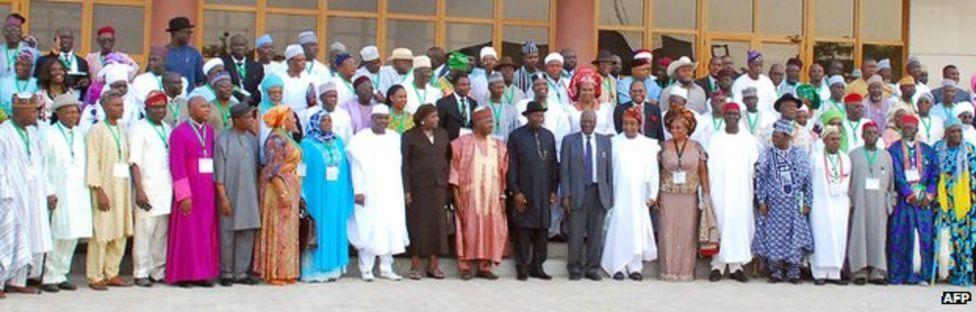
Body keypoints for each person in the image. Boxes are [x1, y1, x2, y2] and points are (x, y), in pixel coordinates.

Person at [346, 105, 408, 281]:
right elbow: (356, 167)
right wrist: (358, 190)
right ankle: (366, 269)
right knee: (368, 227)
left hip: (391, 190)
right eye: (379, 118)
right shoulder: (360, 139)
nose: (382, 121)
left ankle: (386, 268)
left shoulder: (395, 138)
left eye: (385, 118)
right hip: (368, 191)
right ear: (371, 119)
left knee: (390, 227)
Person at [165, 95, 220, 288]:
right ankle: (184, 274)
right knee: (187, 233)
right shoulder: (179, 133)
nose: (207, 110)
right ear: (191, 109)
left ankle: (202, 274)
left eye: (208, 107)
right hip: (190, 191)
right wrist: (183, 195)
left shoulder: (210, 132)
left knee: (205, 232)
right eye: (203, 107)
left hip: (207, 189)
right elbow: (177, 165)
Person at [0, 93, 51, 295]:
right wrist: (5, 194)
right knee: (6, 238)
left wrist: (48, 191)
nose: (36, 115)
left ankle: (17, 281)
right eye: (32, 111)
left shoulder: (32, 132)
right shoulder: (3, 133)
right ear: (19, 112)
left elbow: (41, 164)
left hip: (32, 193)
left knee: (27, 237)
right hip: (11, 195)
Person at [450, 107, 509, 280]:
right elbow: (454, 169)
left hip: (492, 197)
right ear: (476, 123)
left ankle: (485, 266)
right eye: (488, 122)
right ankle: (465, 267)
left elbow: (503, 173)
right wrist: (455, 194)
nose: (491, 125)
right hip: (469, 197)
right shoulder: (461, 143)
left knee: (491, 229)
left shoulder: (499, 146)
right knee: (469, 230)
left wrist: (502, 196)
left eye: (492, 121)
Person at [39, 93, 90, 292]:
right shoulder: (49, 134)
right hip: (58, 191)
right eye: (68, 112)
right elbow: (42, 166)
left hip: (78, 191)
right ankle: (49, 276)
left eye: (76, 112)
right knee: (57, 234)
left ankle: (62, 274)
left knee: (72, 235)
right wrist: (49, 191)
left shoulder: (80, 133)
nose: (73, 116)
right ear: (58, 114)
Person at [602, 106, 660, 281]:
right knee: (619, 229)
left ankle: (635, 267)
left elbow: (653, 172)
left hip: (638, 196)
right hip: (618, 195)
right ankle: (618, 266)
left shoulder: (648, 144)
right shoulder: (614, 142)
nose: (629, 127)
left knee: (637, 230)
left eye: (632, 124)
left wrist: (653, 194)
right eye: (626, 124)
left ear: (639, 125)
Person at [753, 119, 814, 284]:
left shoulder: (799, 154)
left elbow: (807, 180)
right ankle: (776, 271)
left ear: (788, 137)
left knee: (795, 238)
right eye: (773, 136)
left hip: (794, 206)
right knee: (774, 237)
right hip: (774, 206)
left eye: (778, 137)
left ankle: (794, 271)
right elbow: (761, 179)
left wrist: (808, 201)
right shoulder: (767, 154)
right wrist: (761, 200)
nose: (774, 139)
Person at [657, 106, 713, 281]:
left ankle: (686, 272)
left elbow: (703, 171)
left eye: (679, 128)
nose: (674, 131)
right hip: (667, 195)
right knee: (667, 232)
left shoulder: (697, 147)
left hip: (689, 196)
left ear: (688, 127)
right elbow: (656, 172)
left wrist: (706, 194)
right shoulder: (663, 147)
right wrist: (656, 194)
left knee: (687, 233)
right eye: (672, 127)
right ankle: (668, 271)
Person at [84, 91, 133, 290]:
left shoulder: (122, 128)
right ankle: (95, 276)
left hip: (122, 186)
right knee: (102, 232)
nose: (120, 109)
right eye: (116, 106)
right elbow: (92, 162)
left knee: (120, 230)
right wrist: (99, 190)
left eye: (122, 105)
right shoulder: (96, 130)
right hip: (105, 186)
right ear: (104, 107)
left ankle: (112, 272)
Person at [707, 102, 759, 283]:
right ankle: (717, 266)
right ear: (723, 116)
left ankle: (736, 266)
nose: (731, 117)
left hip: (741, 191)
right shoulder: (715, 139)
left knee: (739, 225)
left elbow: (754, 167)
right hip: (719, 190)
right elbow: (708, 166)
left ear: (739, 116)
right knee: (720, 224)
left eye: (735, 114)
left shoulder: (749, 140)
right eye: (728, 114)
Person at [300, 109, 353, 282]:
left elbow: (344, 168)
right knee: (318, 229)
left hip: (336, 193)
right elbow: (302, 170)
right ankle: (314, 271)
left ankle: (333, 269)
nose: (327, 124)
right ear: (315, 123)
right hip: (316, 193)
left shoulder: (337, 141)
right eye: (323, 121)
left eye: (329, 121)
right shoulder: (307, 144)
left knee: (335, 226)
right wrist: (302, 194)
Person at [507, 101, 558, 281]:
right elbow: (511, 166)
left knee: (542, 230)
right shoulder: (516, 136)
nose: (539, 118)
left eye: (541, 115)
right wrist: (515, 191)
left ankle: (537, 265)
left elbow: (553, 165)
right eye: (535, 115)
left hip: (544, 191)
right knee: (523, 230)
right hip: (525, 190)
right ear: (527, 117)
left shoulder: (548, 136)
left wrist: (553, 189)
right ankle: (522, 267)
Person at [560, 110, 613, 281]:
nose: (587, 124)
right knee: (575, 232)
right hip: (577, 192)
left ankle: (592, 268)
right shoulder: (569, 141)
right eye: (584, 121)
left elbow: (608, 171)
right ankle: (574, 268)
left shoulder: (605, 141)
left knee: (596, 233)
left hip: (599, 193)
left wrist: (609, 195)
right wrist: (565, 195)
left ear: (596, 122)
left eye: (590, 121)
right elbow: (564, 171)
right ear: (580, 122)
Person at [213, 103, 262, 286]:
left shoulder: (252, 140)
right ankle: (226, 272)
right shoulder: (223, 140)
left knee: (247, 231)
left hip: (249, 194)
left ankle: (241, 272)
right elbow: (218, 173)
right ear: (236, 120)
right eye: (248, 117)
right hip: (230, 193)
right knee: (227, 233)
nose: (251, 120)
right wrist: (223, 198)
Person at [887, 114, 939, 285]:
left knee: (924, 237)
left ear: (917, 130)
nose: (908, 130)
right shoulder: (893, 150)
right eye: (905, 127)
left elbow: (934, 175)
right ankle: (901, 274)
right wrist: (910, 194)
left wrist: (929, 195)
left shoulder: (928, 150)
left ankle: (922, 275)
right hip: (904, 200)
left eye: (911, 127)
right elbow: (897, 175)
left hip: (924, 201)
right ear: (901, 129)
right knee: (901, 236)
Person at [127, 91, 172, 287]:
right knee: (144, 232)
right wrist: (140, 190)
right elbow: (134, 162)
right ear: (146, 109)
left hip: (166, 187)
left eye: (163, 107)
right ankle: (141, 272)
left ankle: (157, 270)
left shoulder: (167, 128)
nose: (160, 110)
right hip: (147, 187)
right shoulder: (139, 129)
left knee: (161, 233)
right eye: (155, 107)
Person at [253, 105, 302, 285]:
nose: (295, 120)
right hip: (277, 190)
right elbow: (273, 170)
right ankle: (274, 272)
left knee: (288, 231)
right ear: (283, 120)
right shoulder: (275, 139)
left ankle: (286, 271)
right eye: (291, 118)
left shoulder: (286, 137)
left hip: (290, 186)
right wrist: (282, 192)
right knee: (277, 229)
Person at [401, 104, 450, 280]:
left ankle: (433, 266)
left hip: (438, 187)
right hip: (418, 187)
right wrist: (406, 190)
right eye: (432, 117)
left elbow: (447, 159)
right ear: (422, 119)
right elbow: (405, 165)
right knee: (417, 226)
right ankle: (415, 266)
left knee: (437, 226)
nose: (436, 120)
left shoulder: (443, 135)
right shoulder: (409, 136)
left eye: (437, 116)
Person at [847, 121, 894, 285]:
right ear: (862, 135)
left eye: (875, 132)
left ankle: (877, 271)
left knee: (878, 235)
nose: (872, 135)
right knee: (858, 234)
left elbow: (891, 183)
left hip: (879, 203)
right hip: (859, 202)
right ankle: (858, 270)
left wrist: (891, 202)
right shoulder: (853, 155)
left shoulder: (886, 156)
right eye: (868, 133)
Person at [932, 119, 976, 286]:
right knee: (944, 237)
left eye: (959, 131)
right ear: (946, 133)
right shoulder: (937, 149)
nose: (956, 135)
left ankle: (964, 273)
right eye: (952, 131)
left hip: (964, 201)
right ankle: (945, 272)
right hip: (943, 201)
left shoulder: (970, 149)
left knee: (963, 240)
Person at [809, 125, 853, 285]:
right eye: (832, 139)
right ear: (824, 140)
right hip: (820, 203)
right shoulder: (815, 157)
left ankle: (835, 273)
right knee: (821, 236)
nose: (836, 142)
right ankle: (819, 273)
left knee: (839, 236)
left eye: (838, 139)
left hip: (840, 203)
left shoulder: (845, 158)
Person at [566, 67, 614, 135]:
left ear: (596, 90)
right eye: (584, 90)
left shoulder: (606, 108)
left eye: (590, 90)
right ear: (578, 91)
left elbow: (611, 130)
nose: (587, 93)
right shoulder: (569, 110)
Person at [731, 51, 777, 115]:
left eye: (760, 65)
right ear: (749, 65)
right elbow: (737, 103)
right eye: (756, 65)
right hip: (745, 118)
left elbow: (773, 103)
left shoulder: (767, 82)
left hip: (765, 118)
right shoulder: (739, 82)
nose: (758, 68)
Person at [221, 34, 263, 104]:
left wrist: (251, 99)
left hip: (251, 104)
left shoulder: (256, 66)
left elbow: (259, 87)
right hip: (229, 103)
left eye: (242, 45)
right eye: (236, 45)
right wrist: (241, 97)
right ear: (230, 47)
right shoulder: (223, 64)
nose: (239, 48)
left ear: (247, 48)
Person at [164, 17, 205, 89]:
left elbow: (201, 80)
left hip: (189, 97)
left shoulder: (194, 54)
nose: (189, 35)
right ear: (175, 33)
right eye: (186, 32)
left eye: (190, 33)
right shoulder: (163, 53)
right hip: (168, 96)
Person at [277, 44, 316, 116]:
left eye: (304, 60)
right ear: (289, 62)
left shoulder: (309, 78)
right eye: (299, 60)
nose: (303, 63)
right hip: (285, 116)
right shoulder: (279, 78)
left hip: (305, 116)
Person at [436, 73, 477, 140]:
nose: (467, 87)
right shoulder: (443, 103)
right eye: (463, 85)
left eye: (468, 84)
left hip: (469, 144)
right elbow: (439, 127)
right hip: (450, 143)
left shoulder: (473, 103)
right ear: (454, 86)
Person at [0, 49, 37, 116]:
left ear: (31, 66)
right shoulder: (3, 83)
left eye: (24, 64)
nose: (19, 67)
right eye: (17, 64)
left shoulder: (37, 83)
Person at [0, 14, 37, 80]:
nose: (13, 33)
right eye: (9, 30)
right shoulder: (1, 51)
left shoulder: (32, 52)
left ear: (21, 33)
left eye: (17, 30)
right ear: (4, 33)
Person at [485, 71, 520, 140]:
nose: (500, 90)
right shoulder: (483, 107)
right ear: (489, 88)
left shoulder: (511, 109)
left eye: (502, 87)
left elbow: (515, 129)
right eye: (497, 88)